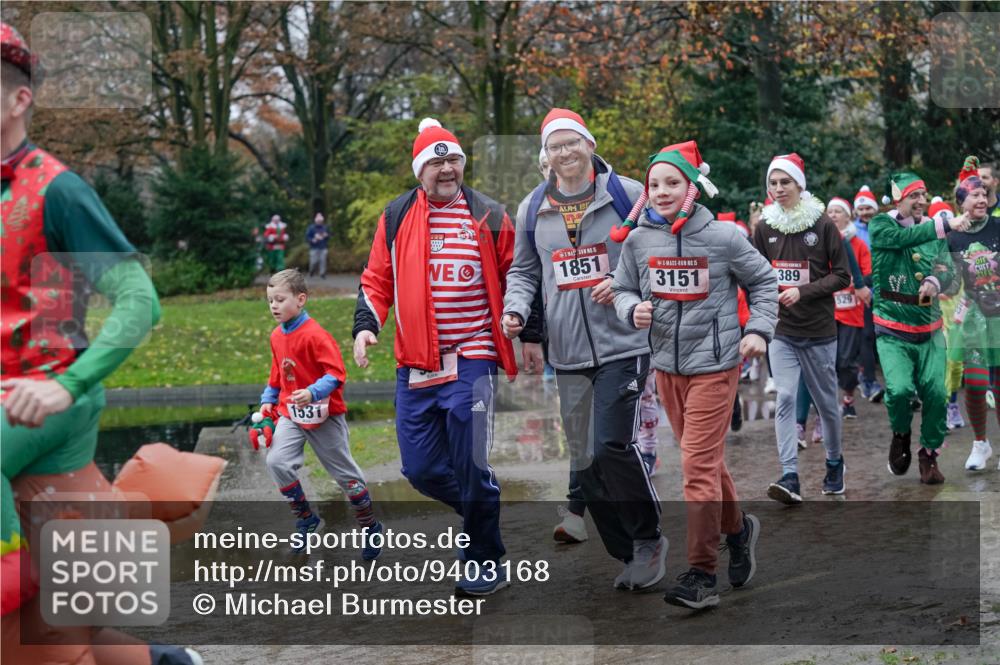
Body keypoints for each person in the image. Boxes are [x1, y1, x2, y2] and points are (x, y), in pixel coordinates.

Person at [0, 22, 200, 665]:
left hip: (44, 392)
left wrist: (67, 386)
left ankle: (12, 571)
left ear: (19, 99)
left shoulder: (57, 189)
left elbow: (139, 299)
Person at [502, 108, 665, 591]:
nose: (566, 152)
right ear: (546, 155)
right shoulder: (533, 206)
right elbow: (524, 270)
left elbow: (659, 252)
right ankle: (627, 553)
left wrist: (624, 284)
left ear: (590, 145)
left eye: (573, 142)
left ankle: (649, 539)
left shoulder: (628, 194)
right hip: (569, 350)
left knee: (611, 444)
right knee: (586, 462)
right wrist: (516, 311)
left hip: (624, 341)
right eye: (556, 146)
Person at [612, 140, 777, 609]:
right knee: (706, 463)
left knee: (696, 469)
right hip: (666, 367)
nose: (662, 191)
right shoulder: (639, 240)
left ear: (691, 188)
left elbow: (764, 281)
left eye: (673, 183)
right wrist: (632, 308)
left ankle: (702, 574)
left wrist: (758, 330)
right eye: (655, 184)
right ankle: (738, 531)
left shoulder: (723, 237)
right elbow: (622, 288)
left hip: (716, 367)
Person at [353, 118, 513, 596]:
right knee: (420, 469)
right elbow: (376, 279)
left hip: (474, 352)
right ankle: (480, 512)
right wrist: (366, 327)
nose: (447, 170)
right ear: (420, 170)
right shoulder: (396, 215)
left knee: (469, 458)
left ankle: (484, 558)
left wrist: (527, 329)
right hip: (417, 362)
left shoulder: (489, 213)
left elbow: (518, 274)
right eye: (436, 163)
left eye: (454, 160)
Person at [258, 269, 383, 556]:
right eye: (270, 301)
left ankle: (370, 526)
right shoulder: (276, 336)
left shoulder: (316, 335)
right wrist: (268, 399)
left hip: (325, 415)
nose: (274, 306)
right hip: (291, 413)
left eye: (280, 300)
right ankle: (306, 519)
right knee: (277, 461)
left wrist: (312, 392)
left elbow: (336, 374)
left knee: (346, 476)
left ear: (300, 299)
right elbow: (277, 372)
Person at [752, 153, 851, 502]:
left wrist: (802, 291)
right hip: (782, 331)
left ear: (799, 185)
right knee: (785, 397)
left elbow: (843, 275)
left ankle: (835, 463)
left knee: (826, 405)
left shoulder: (822, 224)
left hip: (819, 330)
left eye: (785, 182)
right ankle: (790, 475)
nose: (778, 188)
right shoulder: (764, 227)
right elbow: (756, 273)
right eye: (773, 183)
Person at [870, 171, 968, 484]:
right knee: (899, 390)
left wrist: (935, 280)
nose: (921, 201)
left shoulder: (933, 231)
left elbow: (948, 269)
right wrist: (944, 224)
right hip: (892, 328)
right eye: (914, 195)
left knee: (937, 393)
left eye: (923, 195)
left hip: (929, 328)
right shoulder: (881, 225)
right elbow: (904, 239)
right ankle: (901, 433)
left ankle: (929, 453)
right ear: (898, 199)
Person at [943, 157, 1000, 472]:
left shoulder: (998, 227)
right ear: (961, 202)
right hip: (975, 319)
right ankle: (981, 443)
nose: (981, 198)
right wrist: (937, 283)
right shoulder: (954, 237)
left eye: (983, 193)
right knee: (976, 384)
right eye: (974, 194)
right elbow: (951, 282)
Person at [827, 196, 873, 418]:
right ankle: (825, 402)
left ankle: (848, 397)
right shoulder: (822, 242)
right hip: (826, 310)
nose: (833, 215)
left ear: (848, 216)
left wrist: (857, 281)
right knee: (827, 359)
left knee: (845, 360)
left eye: (838, 211)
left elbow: (870, 273)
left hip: (851, 311)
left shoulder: (858, 244)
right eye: (830, 212)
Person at [928, 196, 967, 430]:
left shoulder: (961, 248)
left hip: (959, 314)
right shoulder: (926, 250)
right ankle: (941, 409)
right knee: (942, 363)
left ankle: (952, 403)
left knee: (956, 364)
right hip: (936, 316)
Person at [853, 185, 886, 402]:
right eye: (861, 209)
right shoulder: (852, 231)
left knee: (883, 335)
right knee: (866, 336)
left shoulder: (883, 227)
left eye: (868, 208)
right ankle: (868, 381)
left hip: (884, 289)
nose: (865, 212)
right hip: (861, 290)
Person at [306, 212, 330, 278]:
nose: (319, 222)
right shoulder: (311, 228)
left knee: (323, 261)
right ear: (316, 221)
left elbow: (329, 236)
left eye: (320, 221)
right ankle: (311, 271)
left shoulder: (325, 227)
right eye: (318, 221)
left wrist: (326, 236)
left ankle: (322, 273)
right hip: (314, 247)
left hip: (323, 247)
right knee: (313, 261)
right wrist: (312, 240)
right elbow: (307, 237)